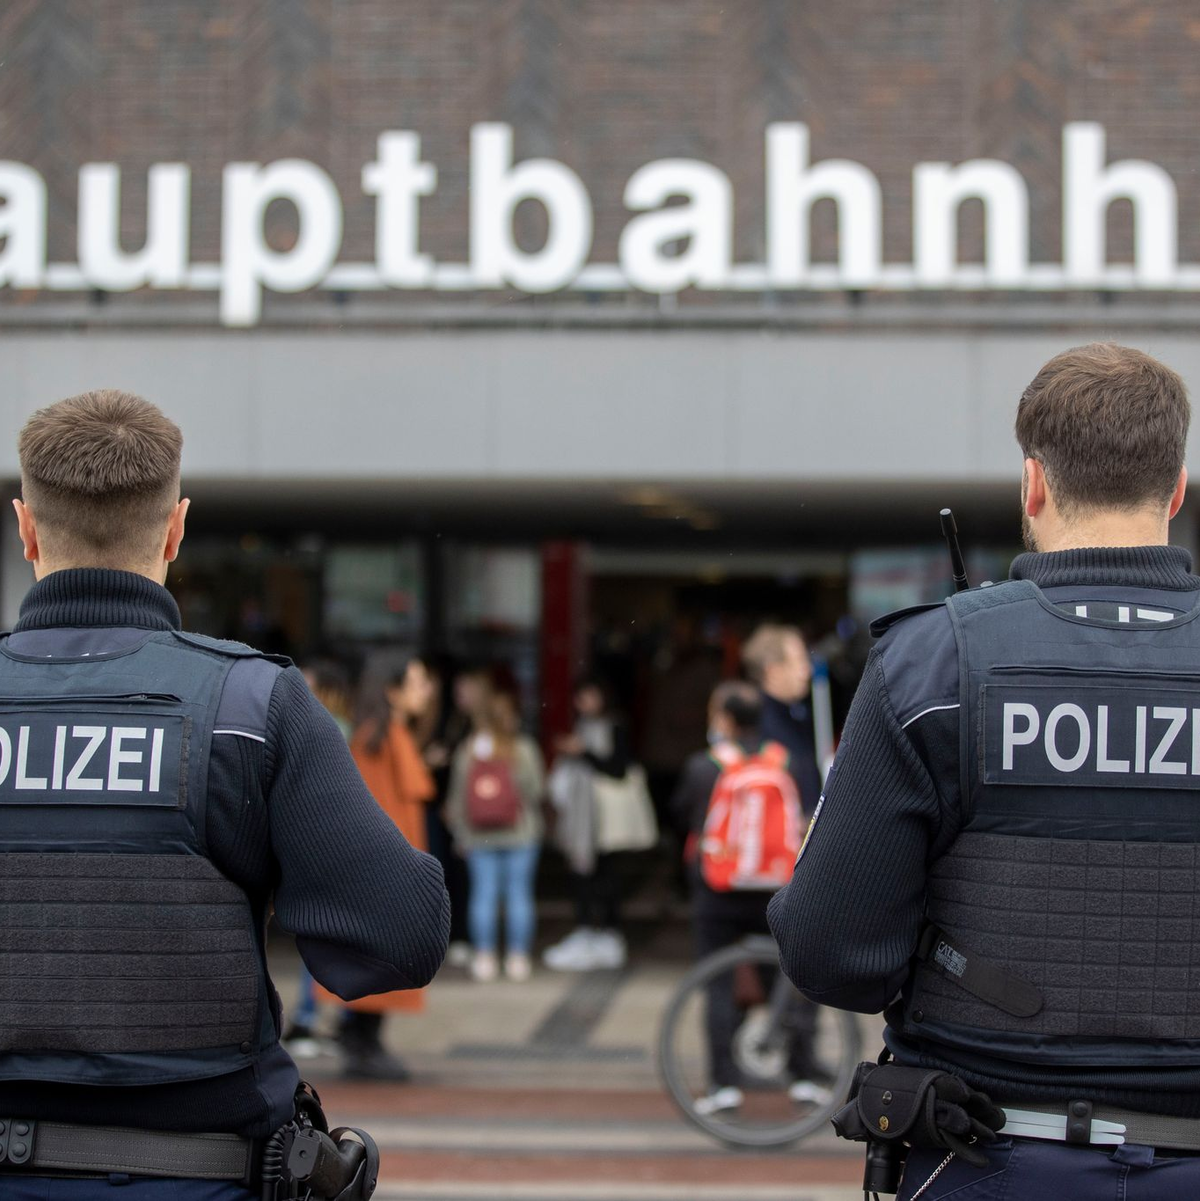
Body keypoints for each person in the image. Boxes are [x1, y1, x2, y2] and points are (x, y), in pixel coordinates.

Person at [769, 342, 1200, 1200]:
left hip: (993, 1158)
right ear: (1177, 487)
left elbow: (830, 951)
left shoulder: (934, 663)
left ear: (1033, 485)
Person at [0, 390, 449, 1198]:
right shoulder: (250, 706)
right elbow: (401, 934)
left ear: (26, 527)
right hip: (194, 1174)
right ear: (176, 527)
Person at [671, 681, 832, 1116]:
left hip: (718, 891)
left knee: (717, 984)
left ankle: (724, 1084)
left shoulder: (704, 766)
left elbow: (685, 816)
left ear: (723, 718)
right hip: (776, 889)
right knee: (789, 976)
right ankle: (801, 1074)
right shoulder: (788, 761)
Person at [337, 657, 440, 1080]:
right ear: (392, 691)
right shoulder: (376, 739)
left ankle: (363, 1036)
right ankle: (361, 1037)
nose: (427, 689)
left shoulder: (384, 735)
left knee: (382, 956)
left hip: (388, 870)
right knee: (382, 955)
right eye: (417, 682)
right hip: (384, 872)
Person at [282, 659, 355, 1059]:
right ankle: (325, 1018)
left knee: (319, 936)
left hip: (319, 848)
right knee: (330, 937)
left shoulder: (323, 729)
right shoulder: (343, 730)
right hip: (333, 849)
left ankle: (310, 1018)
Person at [446, 687, 545, 982]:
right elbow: (536, 791)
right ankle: (517, 958)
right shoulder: (524, 749)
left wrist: (460, 834)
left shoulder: (469, 749)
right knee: (519, 895)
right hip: (521, 833)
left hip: (479, 835)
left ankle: (485, 957)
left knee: (483, 895)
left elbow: (458, 798)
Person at [544, 676, 633, 971]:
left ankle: (609, 935)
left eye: (589, 696)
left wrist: (583, 753)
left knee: (606, 876)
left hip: (604, 818)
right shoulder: (580, 728)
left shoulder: (614, 727)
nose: (584, 703)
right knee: (582, 875)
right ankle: (587, 934)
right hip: (580, 818)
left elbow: (617, 769)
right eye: (580, 697)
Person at [741, 624, 823, 812]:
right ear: (773, 671)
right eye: (799, 661)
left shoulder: (796, 713)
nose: (807, 671)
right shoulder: (757, 723)